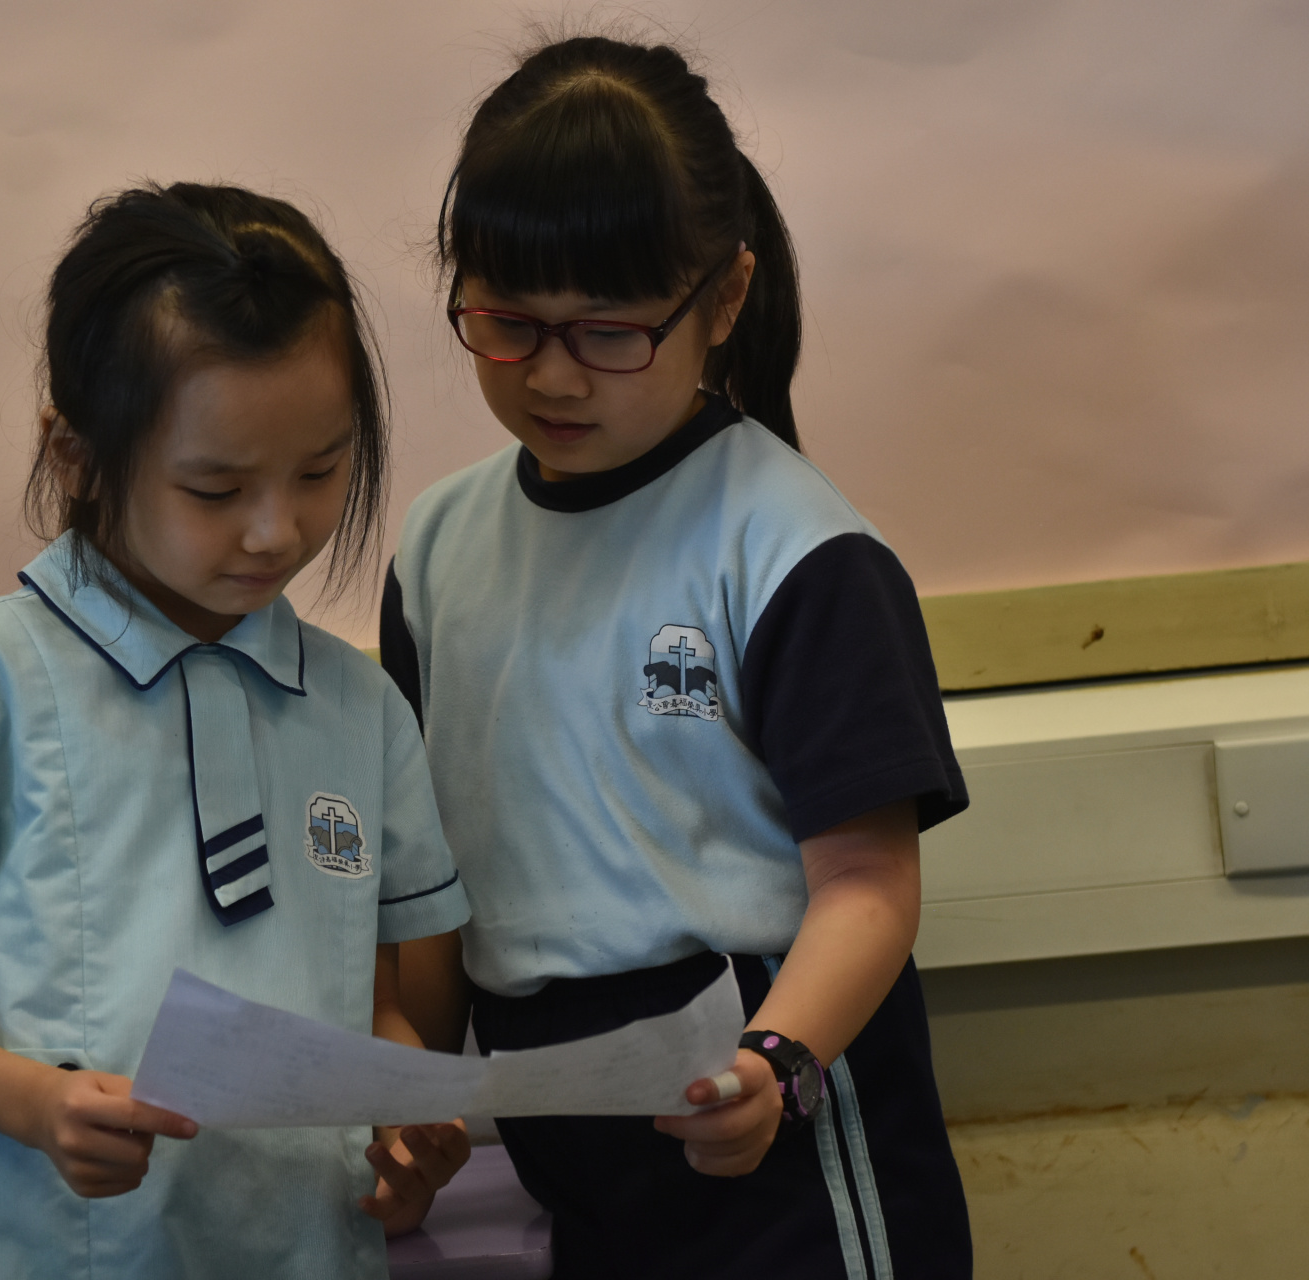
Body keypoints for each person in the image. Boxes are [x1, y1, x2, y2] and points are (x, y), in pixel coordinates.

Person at [0, 181, 472, 1280]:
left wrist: (405, 1112)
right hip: (40, 1253)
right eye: (215, 487)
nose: (275, 529)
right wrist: (38, 1103)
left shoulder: (361, 708)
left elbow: (373, 999)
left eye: (319, 471)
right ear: (75, 454)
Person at [383, 34, 974, 1279]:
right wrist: (406, 1097)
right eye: (506, 320)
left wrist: (777, 1063)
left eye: (608, 330)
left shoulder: (794, 549)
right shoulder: (436, 548)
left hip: (777, 1120)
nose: (552, 374)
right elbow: (428, 892)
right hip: (566, 1133)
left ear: (725, 296)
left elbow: (869, 883)